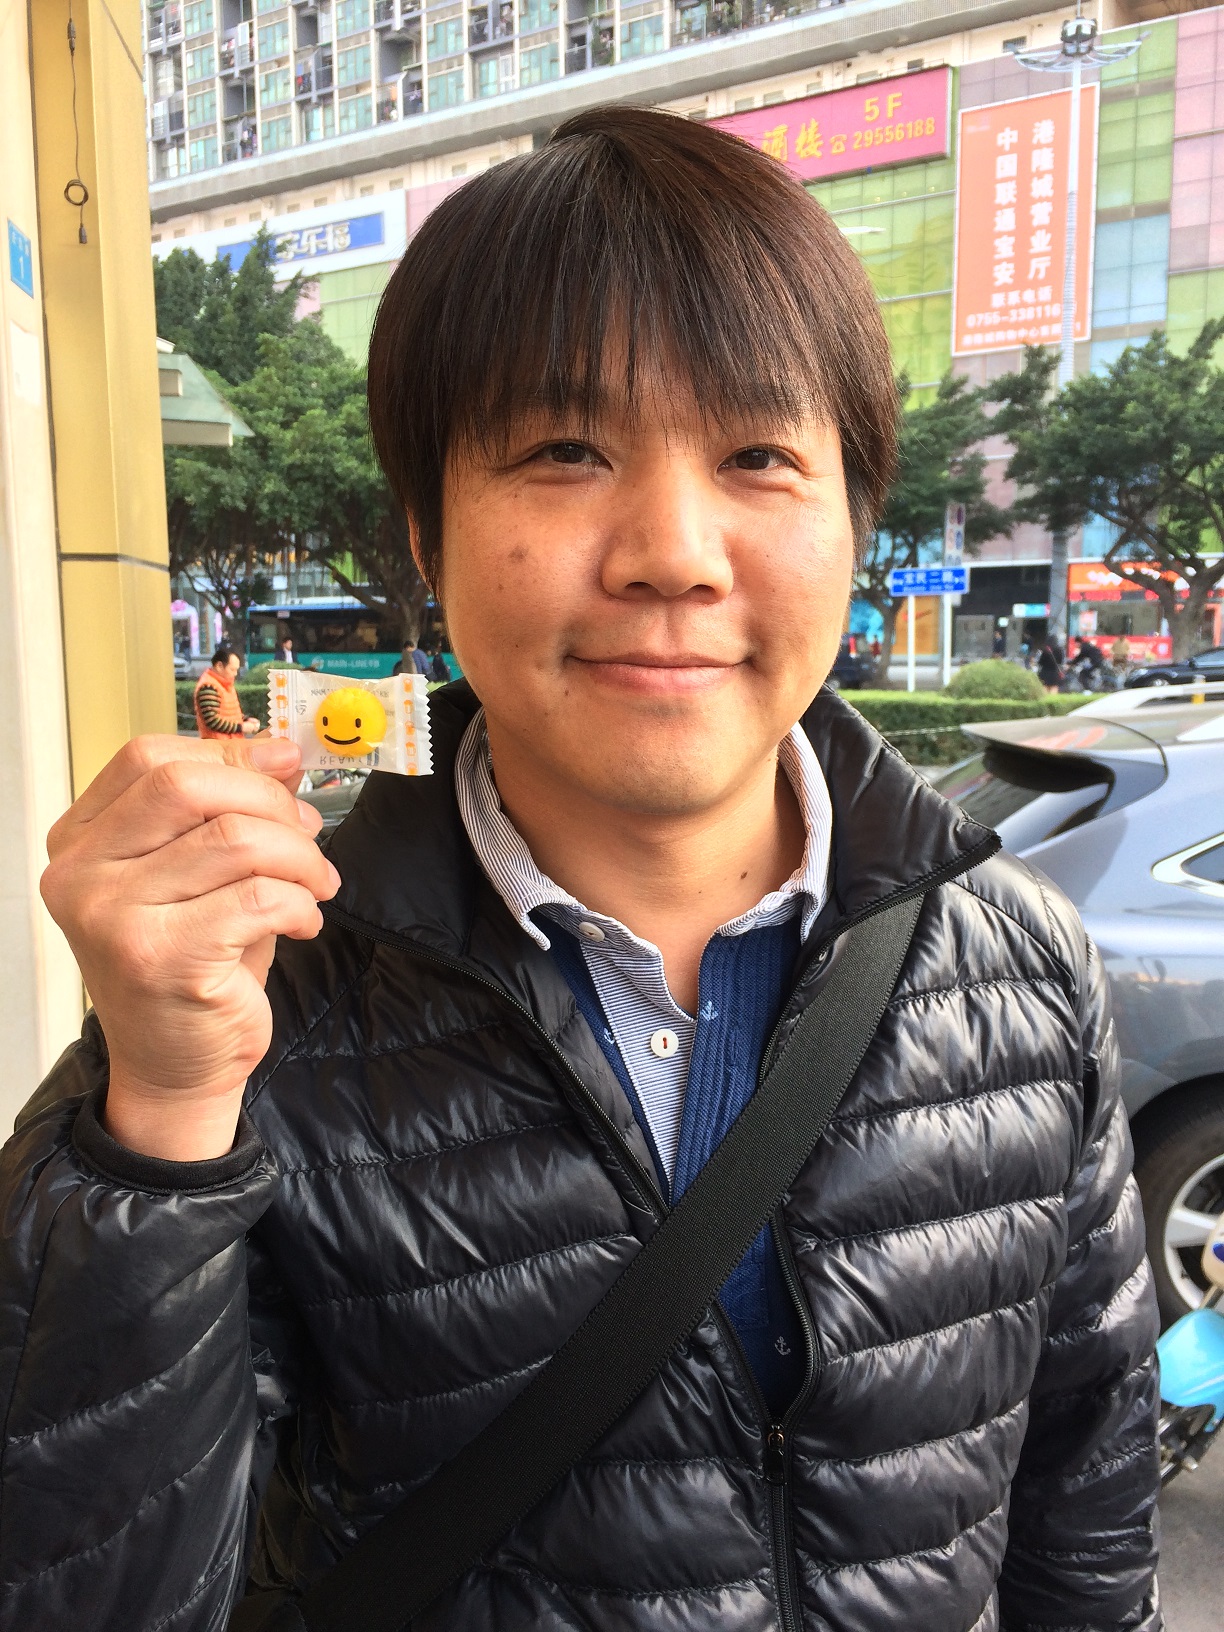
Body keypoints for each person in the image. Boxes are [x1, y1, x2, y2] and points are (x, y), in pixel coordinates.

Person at [6, 107, 1158, 1632]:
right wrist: (154, 1124)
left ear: (855, 520)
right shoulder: (245, 1015)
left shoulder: (1020, 963)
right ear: (427, 533)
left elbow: (1086, 1502)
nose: (672, 551)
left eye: (759, 455)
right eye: (565, 451)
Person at [191, 644, 260, 738]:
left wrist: (245, 720)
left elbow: (229, 713)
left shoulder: (225, 684)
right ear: (219, 666)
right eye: (232, 669)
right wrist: (242, 727)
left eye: (236, 670)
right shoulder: (208, 687)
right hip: (217, 744)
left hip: (229, 742)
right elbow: (213, 721)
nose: (235, 673)